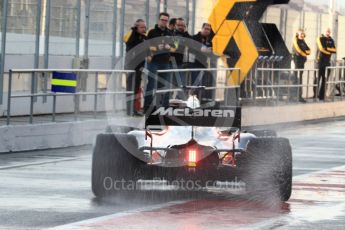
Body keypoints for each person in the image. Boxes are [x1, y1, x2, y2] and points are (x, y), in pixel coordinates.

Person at [144, 12, 176, 112]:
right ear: (159, 20)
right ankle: (147, 107)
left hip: (165, 62)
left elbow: (175, 48)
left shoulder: (170, 33)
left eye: (166, 20)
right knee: (151, 84)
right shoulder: (152, 32)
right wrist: (157, 48)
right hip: (153, 61)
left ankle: (164, 107)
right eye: (162, 20)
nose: (164, 22)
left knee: (164, 85)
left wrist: (168, 47)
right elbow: (147, 46)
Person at [123, 19, 147, 116]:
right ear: (136, 27)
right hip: (131, 66)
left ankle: (135, 109)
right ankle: (129, 109)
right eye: (141, 27)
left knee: (136, 88)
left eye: (145, 27)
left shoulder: (144, 37)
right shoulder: (131, 35)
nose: (144, 29)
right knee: (130, 88)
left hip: (140, 66)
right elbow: (127, 40)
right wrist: (133, 29)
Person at [170, 18, 191, 98]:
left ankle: (178, 101)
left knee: (181, 84)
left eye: (183, 25)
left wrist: (185, 31)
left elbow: (191, 42)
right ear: (175, 25)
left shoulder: (185, 35)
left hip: (180, 63)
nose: (181, 27)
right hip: (169, 62)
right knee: (169, 84)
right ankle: (166, 102)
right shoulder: (171, 34)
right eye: (179, 25)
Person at [316, 28, 337, 100]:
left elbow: (335, 50)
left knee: (325, 80)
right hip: (320, 61)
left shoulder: (331, 40)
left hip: (327, 62)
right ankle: (315, 95)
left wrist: (327, 49)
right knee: (317, 79)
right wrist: (329, 50)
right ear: (324, 32)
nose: (328, 32)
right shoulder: (320, 38)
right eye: (326, 31)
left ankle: (321, 96)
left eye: (329, 31)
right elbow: (321, 48)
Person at [292, 29, 311, 103]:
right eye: (301, 34)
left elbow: (309, 50)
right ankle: (294, 97)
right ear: (297, 34)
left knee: (300, 80)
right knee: (296, 79)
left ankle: (299, 96)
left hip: (302, 63)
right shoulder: (295, 41)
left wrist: (305, 53)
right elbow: (299, 51)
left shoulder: (303, 42)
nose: (302, 35)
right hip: (297, 62)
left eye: (303, 34)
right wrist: (305, 53)